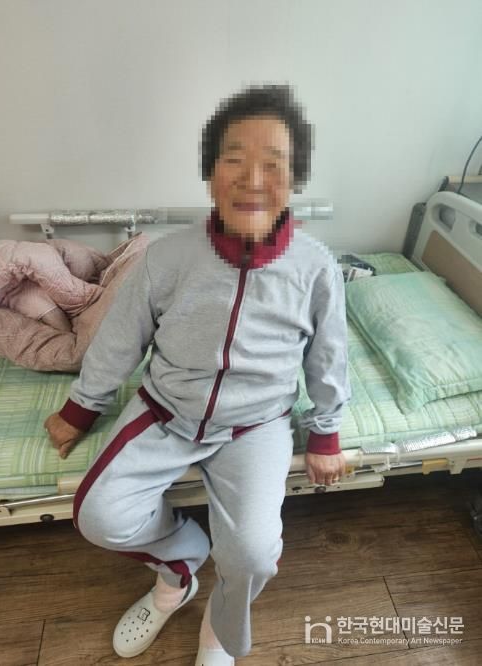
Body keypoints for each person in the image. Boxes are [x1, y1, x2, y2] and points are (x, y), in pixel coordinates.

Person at [45, 83, 351, 665]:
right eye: (234, 159)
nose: (252, 178)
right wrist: (81, 408)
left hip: (256, 425)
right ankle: (180, 568)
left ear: (296, 180)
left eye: (273, 163)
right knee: (98, 515)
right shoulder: (167, 257)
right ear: (210, 173)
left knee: (254, 554)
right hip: (166, 411)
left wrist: (326, 431)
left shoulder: (316, 268)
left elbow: (328, 355)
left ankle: (219, 629)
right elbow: (120, 339)